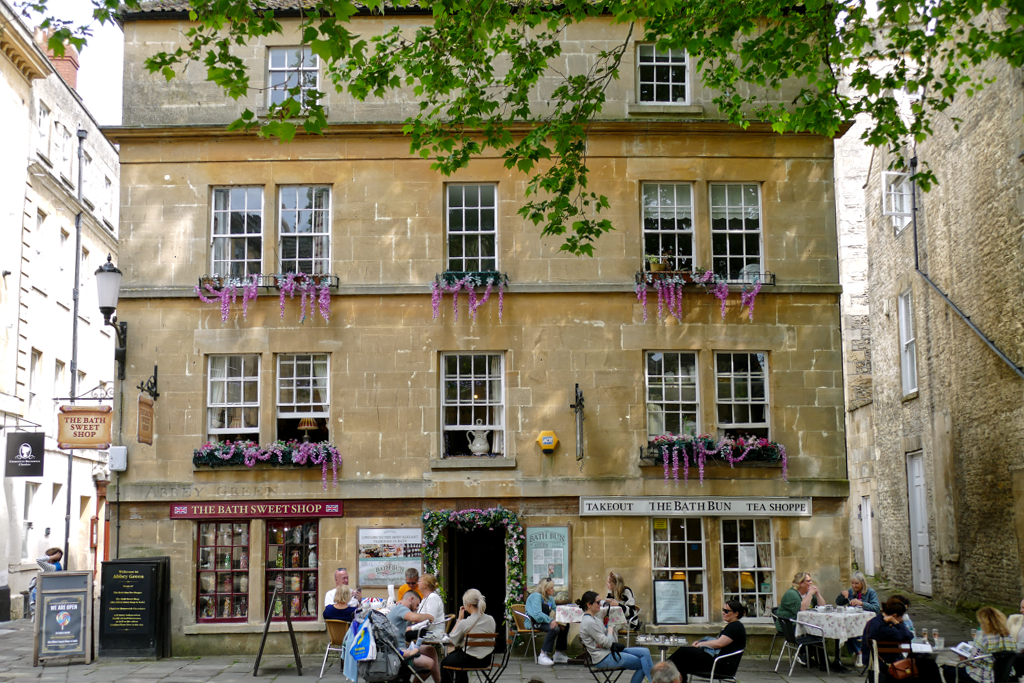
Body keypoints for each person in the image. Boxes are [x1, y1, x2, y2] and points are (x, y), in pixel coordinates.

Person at [578, 590, 653, 683]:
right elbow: (608, 641)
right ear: (589, 605)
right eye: (598, 602)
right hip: (603, 658)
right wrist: (609, 631)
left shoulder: (595, 619)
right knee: (643, 663)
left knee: (645, 651)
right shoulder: (589, 622)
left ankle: (654, 681)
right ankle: (654, 681)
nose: (600, 605)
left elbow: (610, 640)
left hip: (609, 651)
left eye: (600, 602)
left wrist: (607, 637)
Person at [667, 601, 746, 682]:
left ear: (736, 614)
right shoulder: (733, 626)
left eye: (726, 611)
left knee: (683, 652)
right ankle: (666, 672)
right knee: (682, 664)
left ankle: (662, 670)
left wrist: (701, 644)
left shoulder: (735, 627)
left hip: (721, 665)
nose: (723, 613)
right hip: (720, 662)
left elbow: (719, 643)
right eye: (723, 610)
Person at [941, 607, 1016, 683]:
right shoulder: (1009, 637)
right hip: (1006, 675)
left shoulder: (984, 638)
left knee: (947, 669)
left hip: (984, 677)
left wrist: (964, 659)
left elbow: (974, 662)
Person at [440, 589, 495, 683]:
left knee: (445, 663)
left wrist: (459, 619)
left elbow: (452, 639)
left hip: (469, 659)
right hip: (486, 659)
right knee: (457, 659)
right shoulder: (491, 619)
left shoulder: (465, 623)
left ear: (468, 605)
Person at [388, 591, 441, 683]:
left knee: (430, 650)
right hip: (398, 652)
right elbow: (415, 618)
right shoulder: (401, 608)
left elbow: (413, 620)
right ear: (411, 599)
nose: (416, 608)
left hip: (401, 648)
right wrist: (429, 616)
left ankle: (439, 681)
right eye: (417, 605)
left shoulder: (399, 608)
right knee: (430, 663)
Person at [777, 572, 826, 668]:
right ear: (801, 583)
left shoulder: (807, 593)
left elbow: (822, 606)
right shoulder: (792, 593)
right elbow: (801, 609)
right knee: (815, 632)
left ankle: (819, 661)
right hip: (788, 626)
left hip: (802, 624)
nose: (811, 583)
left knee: (818, 632)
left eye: (811, 580)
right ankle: (803, 655)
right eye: (808, 581)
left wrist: (817, 594)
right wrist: (810, 594)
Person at [836, 571, 880, 661]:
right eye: (852, 583)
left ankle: (859, 653)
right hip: (853, 621)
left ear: (862, 582)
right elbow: (839, 603)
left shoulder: (870, 592)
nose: (854, 586)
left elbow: (876, 608)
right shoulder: (851, 592)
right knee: (846, 630)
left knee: (856, 631)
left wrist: (862, 603)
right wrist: (842, 595)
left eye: (857, 583)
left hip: (867, 622)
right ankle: (858, 652)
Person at [527, 578, 569, 666]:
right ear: (545, 589)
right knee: (554, 629)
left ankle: (558, 653)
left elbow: (556, 611)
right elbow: (537, 615)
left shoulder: (550, 598)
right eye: (551, 588)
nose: (553, 590)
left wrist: (559, 621)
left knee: (565, 625)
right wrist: (552, 621)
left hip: (545, 621)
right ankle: (543, 654)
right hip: (533, 622)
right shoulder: (536, 596)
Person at [28, 548, 63, 619]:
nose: (45, 558)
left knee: (40, 618)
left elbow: (39, 560)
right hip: (43, 595)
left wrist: (51, 557)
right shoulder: (54, 566)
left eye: (47, 556)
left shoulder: (52, 567)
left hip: (45, 596)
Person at [417, 574, 447, 642]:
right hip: (424, 629)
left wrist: (412, 628)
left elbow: (430, 620)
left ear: (425, 585)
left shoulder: (432, 598)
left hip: (432, 632)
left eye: (420, 581)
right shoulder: (426, 598)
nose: (418, 583)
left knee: (404, 634)